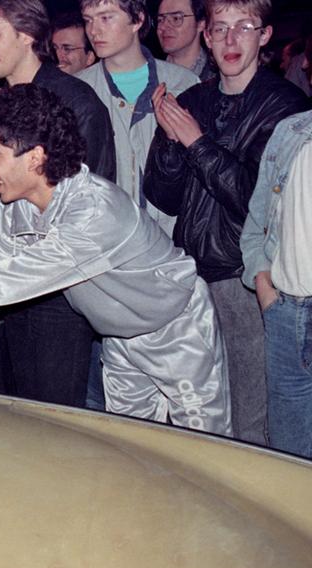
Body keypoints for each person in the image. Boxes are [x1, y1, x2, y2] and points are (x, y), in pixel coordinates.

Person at [0, 83, 231, 435]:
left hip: (176, 330)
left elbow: (5, 283)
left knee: (206, 450)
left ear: (35, 157)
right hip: (120, 337)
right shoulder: (16, 210)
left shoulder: (94, 211)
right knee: (130, 449)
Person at [144, 0, 309, 445]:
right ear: (207, 36)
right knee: (199, 409)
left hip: (243, 279)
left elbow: (257, 202)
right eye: (220, 29)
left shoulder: (287, 106)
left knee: (251, 414)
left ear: (265, 35)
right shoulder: (195, 98)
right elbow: (162, 196)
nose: (231, 41)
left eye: (244, 27)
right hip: (191, 276)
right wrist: (170, 141)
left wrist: (195, 141)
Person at [77, 0, 199, 237]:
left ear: (138, 20)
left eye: (106, 17)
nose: (93, 30)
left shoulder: (184, 84)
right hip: (107, 242)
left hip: (173, 240)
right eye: (88, 20)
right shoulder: (79, 91)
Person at [241, 107, 312, 458]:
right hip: (287, 314)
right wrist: (265, 287)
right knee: (290, 463)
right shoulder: (291, 131)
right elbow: (259, 219)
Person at [156, 0, 219, 81]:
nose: (163, 27)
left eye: (176, 18)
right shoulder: (151, 75)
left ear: (201, 24)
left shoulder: (217, 79)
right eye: (160, 20)